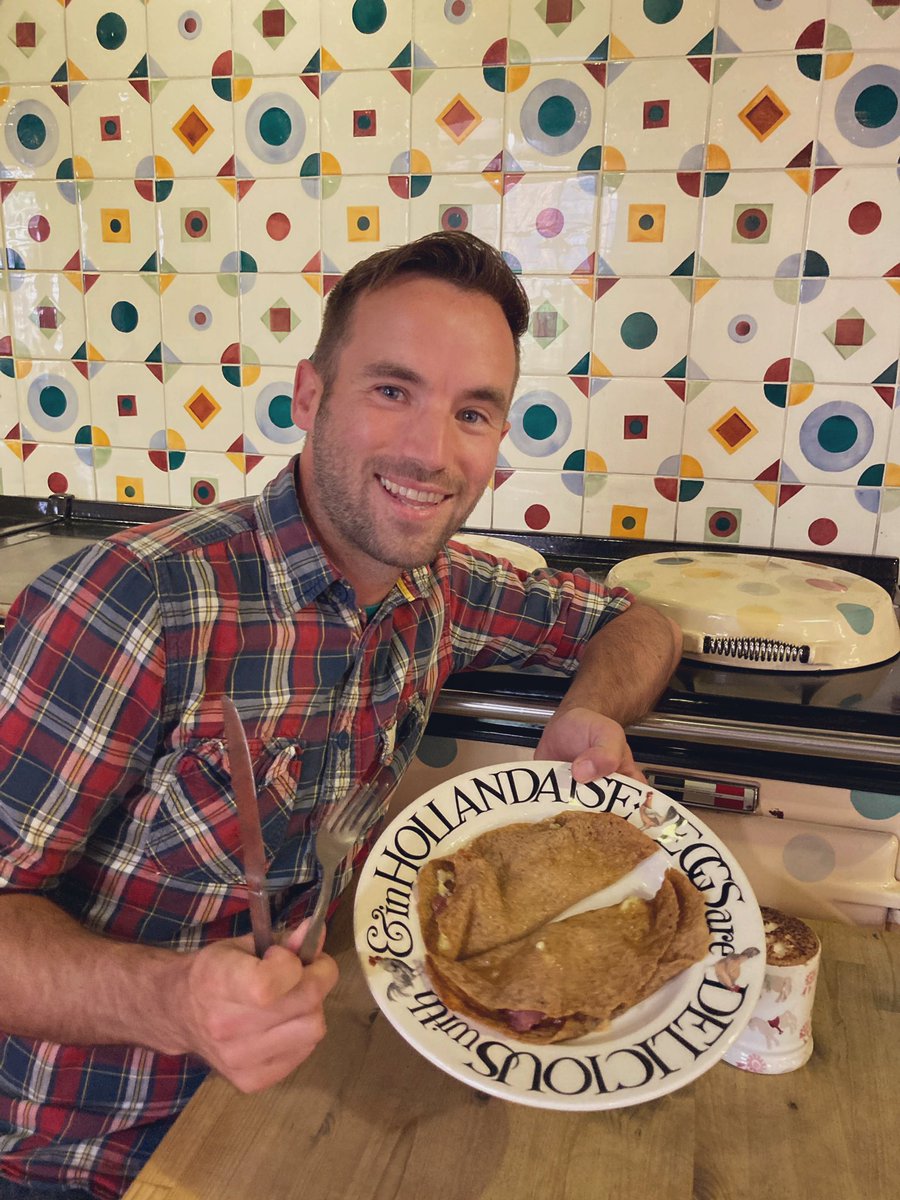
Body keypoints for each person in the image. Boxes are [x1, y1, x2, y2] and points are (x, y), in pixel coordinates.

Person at [0, 231, 681, 1199]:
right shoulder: (132, 604)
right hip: (82, 1160)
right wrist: (175, 1001)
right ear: (310, 397)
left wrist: (591, 713)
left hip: (299, 1096)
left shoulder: (435, 590)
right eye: (392, 390)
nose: (431, 452)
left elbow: (637, 622)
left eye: (473, 412)